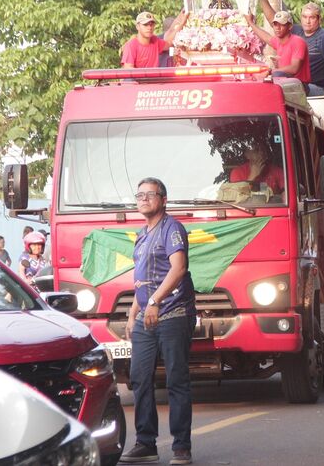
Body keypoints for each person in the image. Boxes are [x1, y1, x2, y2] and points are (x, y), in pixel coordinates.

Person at [121, 178, 195, 465]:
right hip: (146, 315)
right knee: (139, 379)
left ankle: (181, 447)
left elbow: (178, 269)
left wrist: (154, 302)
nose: (143, 199)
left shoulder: (172, 229)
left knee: (176, 380)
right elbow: (143, 279)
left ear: (163, 199)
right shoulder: (141, 235)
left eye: (150, 195)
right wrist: (133, 311)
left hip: (173, 313)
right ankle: (145, 443)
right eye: (139, 195)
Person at [259, 0, 324, 97]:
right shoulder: (296, 31)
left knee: (278, 82)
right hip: (294, 83)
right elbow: (273, 20)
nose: (307, 21)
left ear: (319, 19)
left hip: (314, 87)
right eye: (304, 17)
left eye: (312, 18)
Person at [244, 11, 310, 85]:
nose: (278, 28)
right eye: (275, 24)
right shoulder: (278, 41)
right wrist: (250, 22)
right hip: (285, 83)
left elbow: (294, 68)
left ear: (290, 26)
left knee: (276, 75)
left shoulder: (298, 41)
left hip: (299, 86)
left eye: (282, 25)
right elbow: (265, 37)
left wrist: (271, 71)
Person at [121, 11, 188, 69]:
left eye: (151, 24)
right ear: (137, 27)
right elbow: (128, 69)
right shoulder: (131, 46)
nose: (149, 27)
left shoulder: (155, 41)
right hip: (137, 82)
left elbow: (169, 43)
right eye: (145, 25)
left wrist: (182, 23)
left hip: (154, 81)